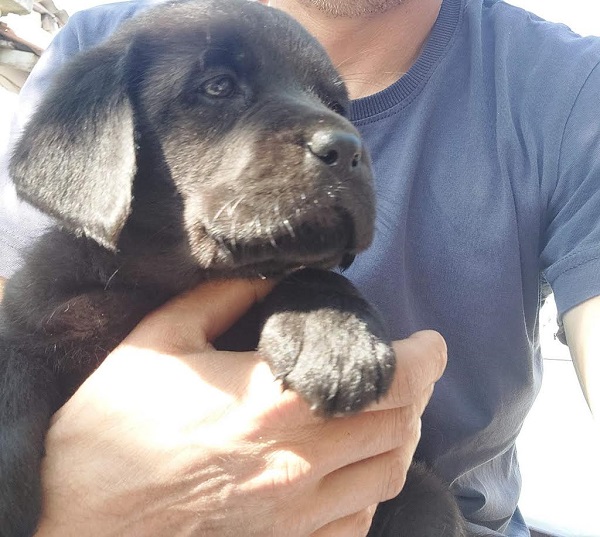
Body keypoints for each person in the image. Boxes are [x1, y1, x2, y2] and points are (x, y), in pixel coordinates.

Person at [0, 0, 598, 535]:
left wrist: (323, 296)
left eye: (333, 105)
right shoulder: (114, 40)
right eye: (217, 88)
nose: (337, 136)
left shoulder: (567, 86)